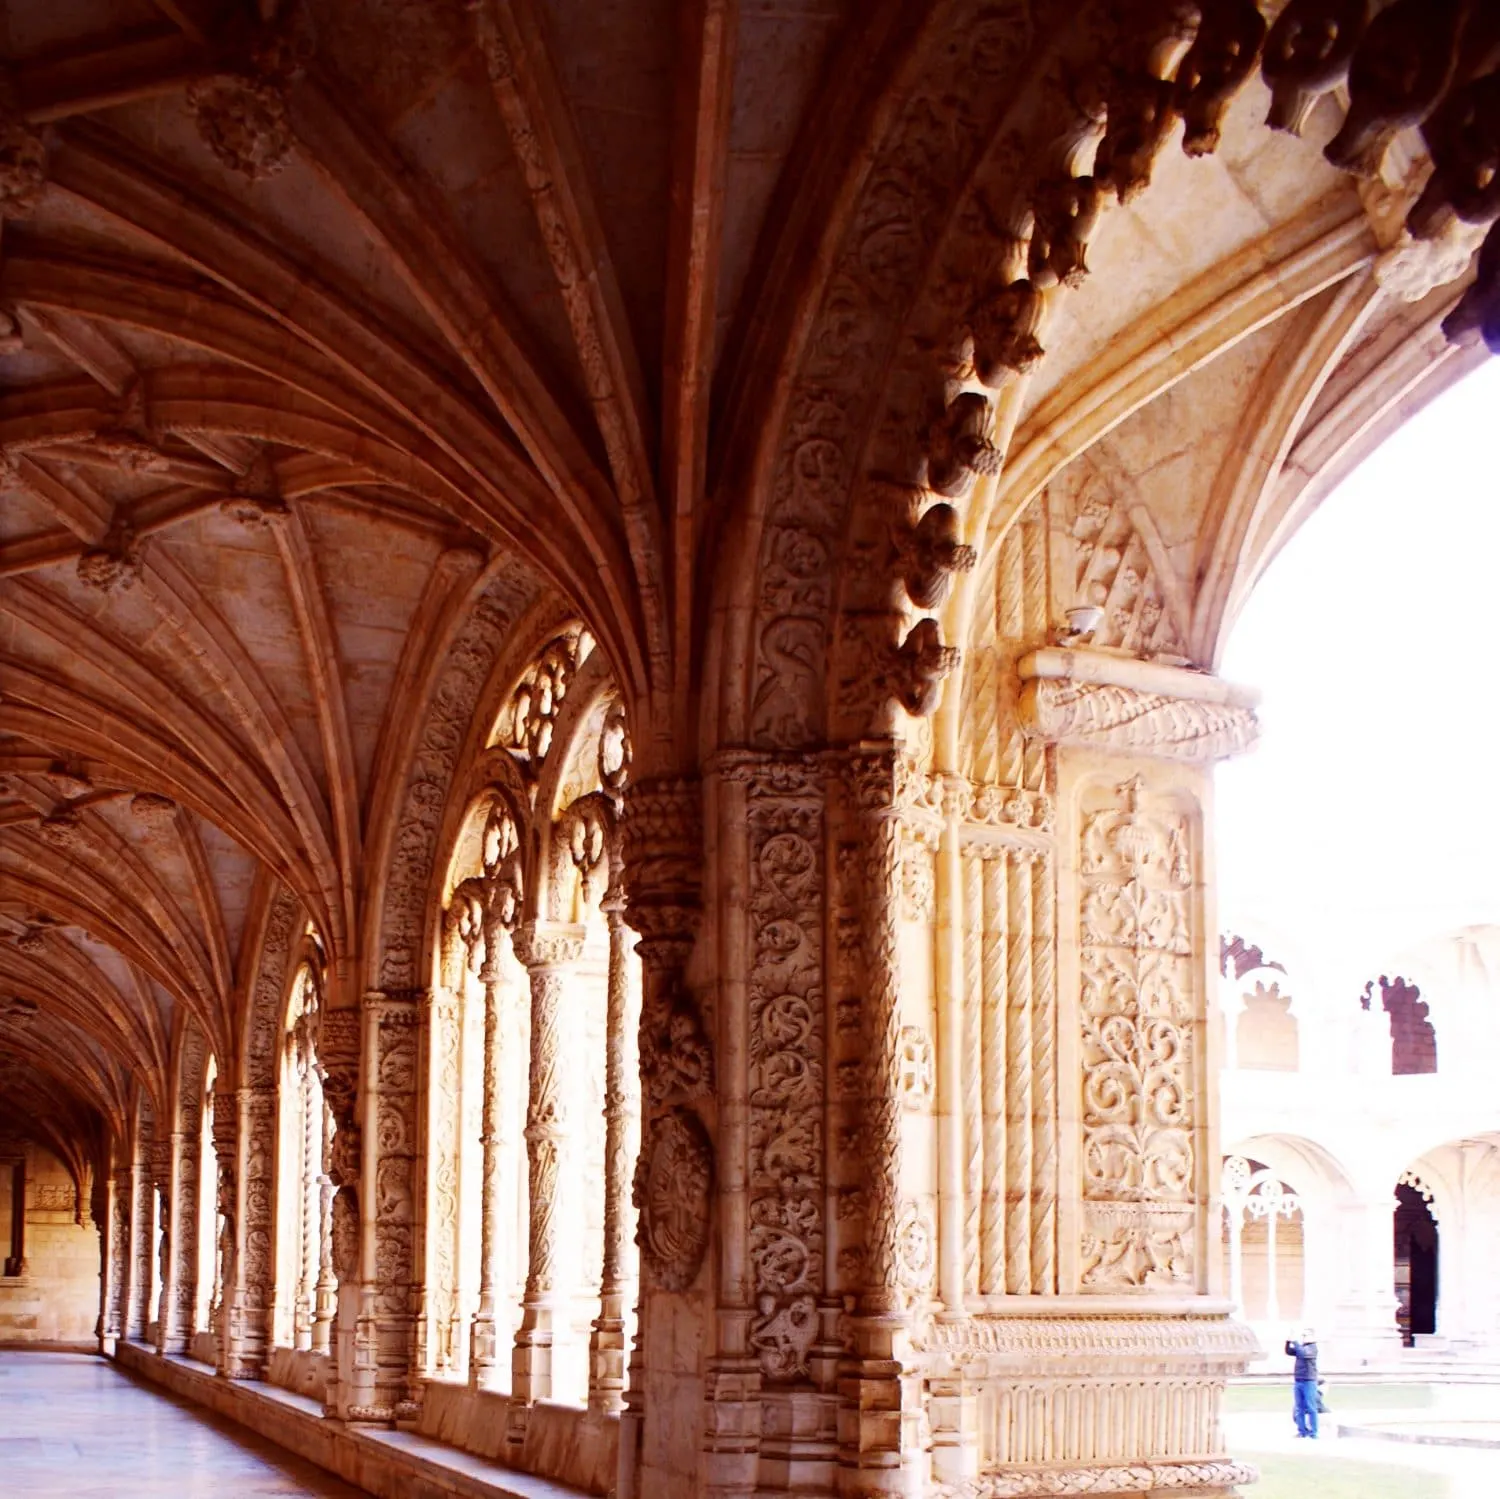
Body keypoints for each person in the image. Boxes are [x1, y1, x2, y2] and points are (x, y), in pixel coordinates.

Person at [1284, 1328, 1319, 1438]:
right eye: (1303, 1335)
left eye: (1305, 1335)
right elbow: (1289, 1351)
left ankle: (1314, 1432)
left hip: (1309, 1381)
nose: (1303, 1338)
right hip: (1299, 1380)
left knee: (1311, 1407)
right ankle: (1302, 1431)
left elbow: (1303, 1354)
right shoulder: (1302, 1348)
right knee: (1299, 1408)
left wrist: (1295, 1342)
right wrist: (1288, 1342)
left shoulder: (1312, 1348)